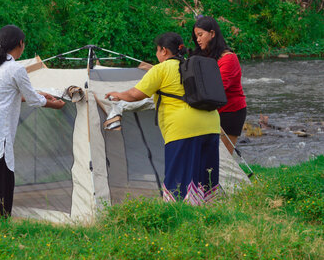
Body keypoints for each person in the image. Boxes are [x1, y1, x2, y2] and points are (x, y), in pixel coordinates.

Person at [0, 25, 65, 219]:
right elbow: (33, 100)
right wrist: (54, 104)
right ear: (20, 44)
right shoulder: (16, 69)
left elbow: (12, 95)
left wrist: (41, 94)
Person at [105, 32, 221, 205]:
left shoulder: (161, 69)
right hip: (211, 125)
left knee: (178, 178)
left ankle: (177, 215)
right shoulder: (195, 66)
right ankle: (208, 213)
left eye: (157, 51)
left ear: (164, 51)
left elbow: (136, 95)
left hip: (183, 128)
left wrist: (118, 94)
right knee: (205, 175)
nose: (156, 55)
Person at [191, 16, 247, 155]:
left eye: (200, 35)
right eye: (196, 36)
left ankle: (229, 177)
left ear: (212, 33)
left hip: (230, 113)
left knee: (223, 157)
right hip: (213, 112)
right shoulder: (207, 57)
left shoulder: (229, 59)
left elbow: (216, 88)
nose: (198, 39)